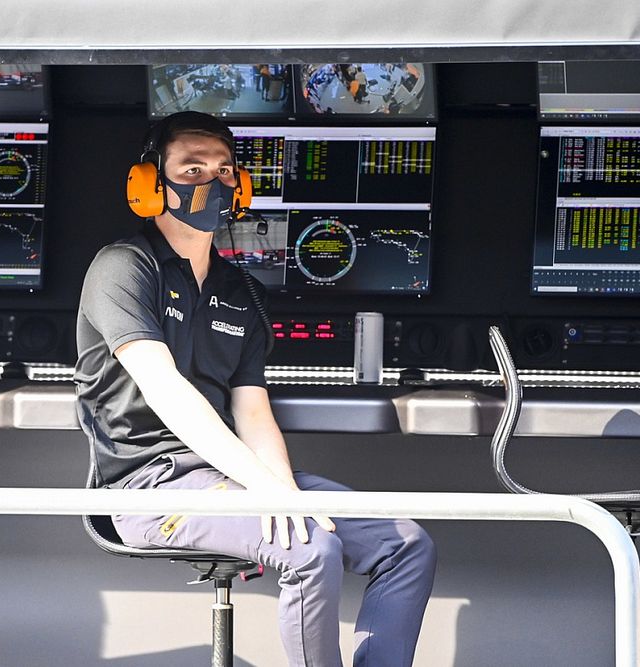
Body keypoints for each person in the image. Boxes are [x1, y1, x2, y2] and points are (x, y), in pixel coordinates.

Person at [74, 111, 436, 667]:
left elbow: (252, 408)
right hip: (146, 488)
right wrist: (266, 490)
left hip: (230, 477)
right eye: (191, 168)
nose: (210, 182)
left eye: (223, 170)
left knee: (406, 544)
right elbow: (166, 389)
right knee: (311, 549)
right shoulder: (123, 267)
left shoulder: (236, 287)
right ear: (149, 184)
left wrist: (282, 489)